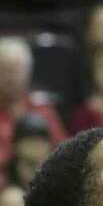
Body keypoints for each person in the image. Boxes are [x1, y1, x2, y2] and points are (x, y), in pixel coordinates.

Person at [0, 36, 65, 175]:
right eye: (5, 70)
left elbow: (62, 151)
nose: (11, 77)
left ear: (28, 72)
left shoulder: (43, 110)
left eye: (16, 70)